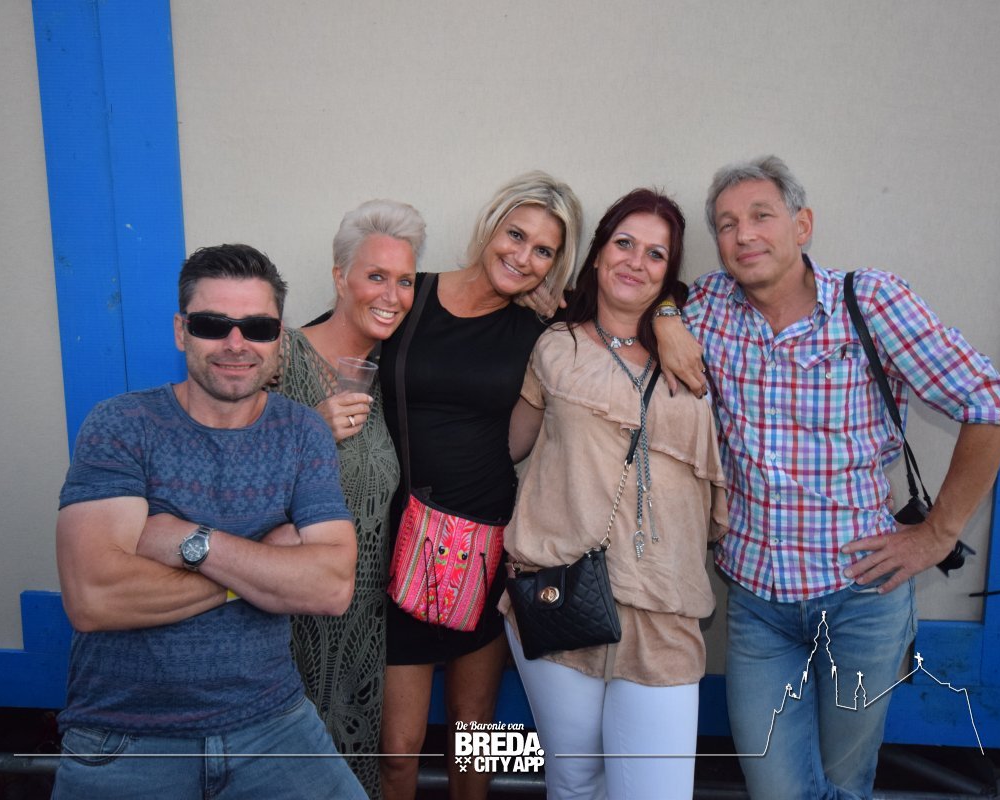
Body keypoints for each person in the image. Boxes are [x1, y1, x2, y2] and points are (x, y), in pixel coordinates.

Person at [653, 156, 1000, 799]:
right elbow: (651, 290)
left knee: (845, 782)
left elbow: (994, 406)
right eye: (727, 224)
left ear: (802, 225)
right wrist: (664, 316)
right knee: (776, 788)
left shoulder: (870, 302)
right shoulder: (709, 306)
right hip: (758, 605)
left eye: (761, 216)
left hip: (861, 601)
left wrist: (938, 534)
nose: (744, 235)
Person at [53, 243, 366, 799]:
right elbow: (94, 597)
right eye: (212, 324)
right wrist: (261, 568)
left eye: (258, 327)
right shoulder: (122, 425)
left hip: (273, 724)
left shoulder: (301, 432)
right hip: (126, 736)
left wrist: (190, 541)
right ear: (181, 331)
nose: (236, 343)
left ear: (279, 338)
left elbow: (331, 586)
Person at [503, 189, 728, 799]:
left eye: (656, 254)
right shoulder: (556, 345)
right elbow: (509, 445)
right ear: (598, 254)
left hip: (664, 604)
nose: (636, 261)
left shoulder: (698, 345)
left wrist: (669, 316)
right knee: (574, 782)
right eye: (624, 243)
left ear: (670, 272)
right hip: (561, 593)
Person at [377, 171, 583, 800]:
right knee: (397, 751)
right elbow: (328, 343)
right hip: (400, 541)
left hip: (489, 543)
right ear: (490, 227)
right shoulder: (413, 292)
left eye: (543, 250)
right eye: (515, 235)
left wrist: (669, 317)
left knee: (475, 739)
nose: (523, 257)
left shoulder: (541, 327)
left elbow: (638, 296)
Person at [273, 200, 425, 799]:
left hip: (363, 624)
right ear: (340, 278)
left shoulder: (389, 373)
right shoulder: (281, 357)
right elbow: (229, 475)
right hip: (287, 619)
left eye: (405, 281)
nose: (392, 294)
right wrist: (310, 427)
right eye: (375, 276)